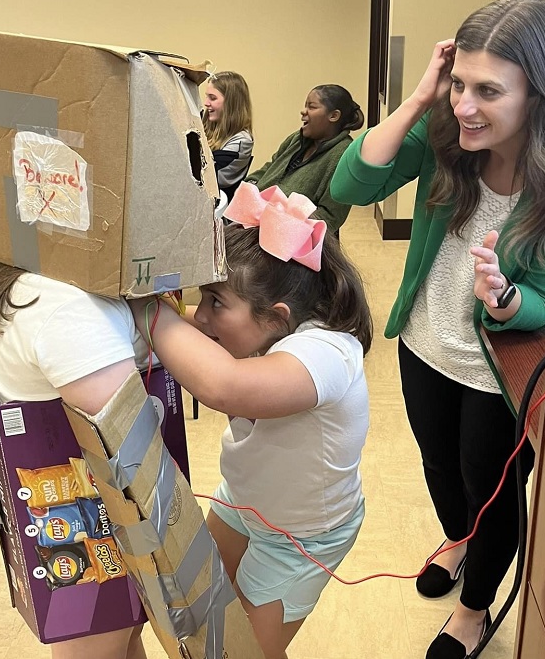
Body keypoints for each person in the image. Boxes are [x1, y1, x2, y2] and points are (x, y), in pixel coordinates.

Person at [330, 0, 545, 659]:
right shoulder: (443, 136)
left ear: (538, 97)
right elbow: (351, 185)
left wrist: (507, 297)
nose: (464, 104)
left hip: (503, 366)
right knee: (438, 465)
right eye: (459, 82)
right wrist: (415, 100)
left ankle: (473, 606)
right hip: (425, 341)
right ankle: (457, 541)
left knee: (491, 489)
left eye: (487, 90)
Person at [129, 183, 373, 659]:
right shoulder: (268, 330)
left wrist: (145, 306)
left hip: (303, 536)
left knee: (243, 652)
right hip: (246, 501)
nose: (199, 318)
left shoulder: (327, 353)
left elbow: (225, 385)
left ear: (277, 318)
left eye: (216, 303)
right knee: (202, 608)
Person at [0, 249, 150, 659]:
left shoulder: (19, 283)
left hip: (80, 510)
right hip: (98, 513)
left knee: (121, 631)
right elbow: (129, 433)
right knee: (101, 635)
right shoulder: (59, 306)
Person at [246, 85, 364, 234]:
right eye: (305, 106)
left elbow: (330, 217)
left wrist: (283, 220)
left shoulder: (344, 155)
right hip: (259, 222)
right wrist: (250, 186)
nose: (303, 112)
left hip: (290, 240)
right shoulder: (297, 138)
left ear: (333, 116)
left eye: (312, 107)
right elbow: (271, 166)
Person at [202, 71, 254, 201]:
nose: (206, 103)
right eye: (207, 97)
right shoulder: (207, 124)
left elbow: (209, 178)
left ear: (231, 104)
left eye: (213, 98)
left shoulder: (242, 141)